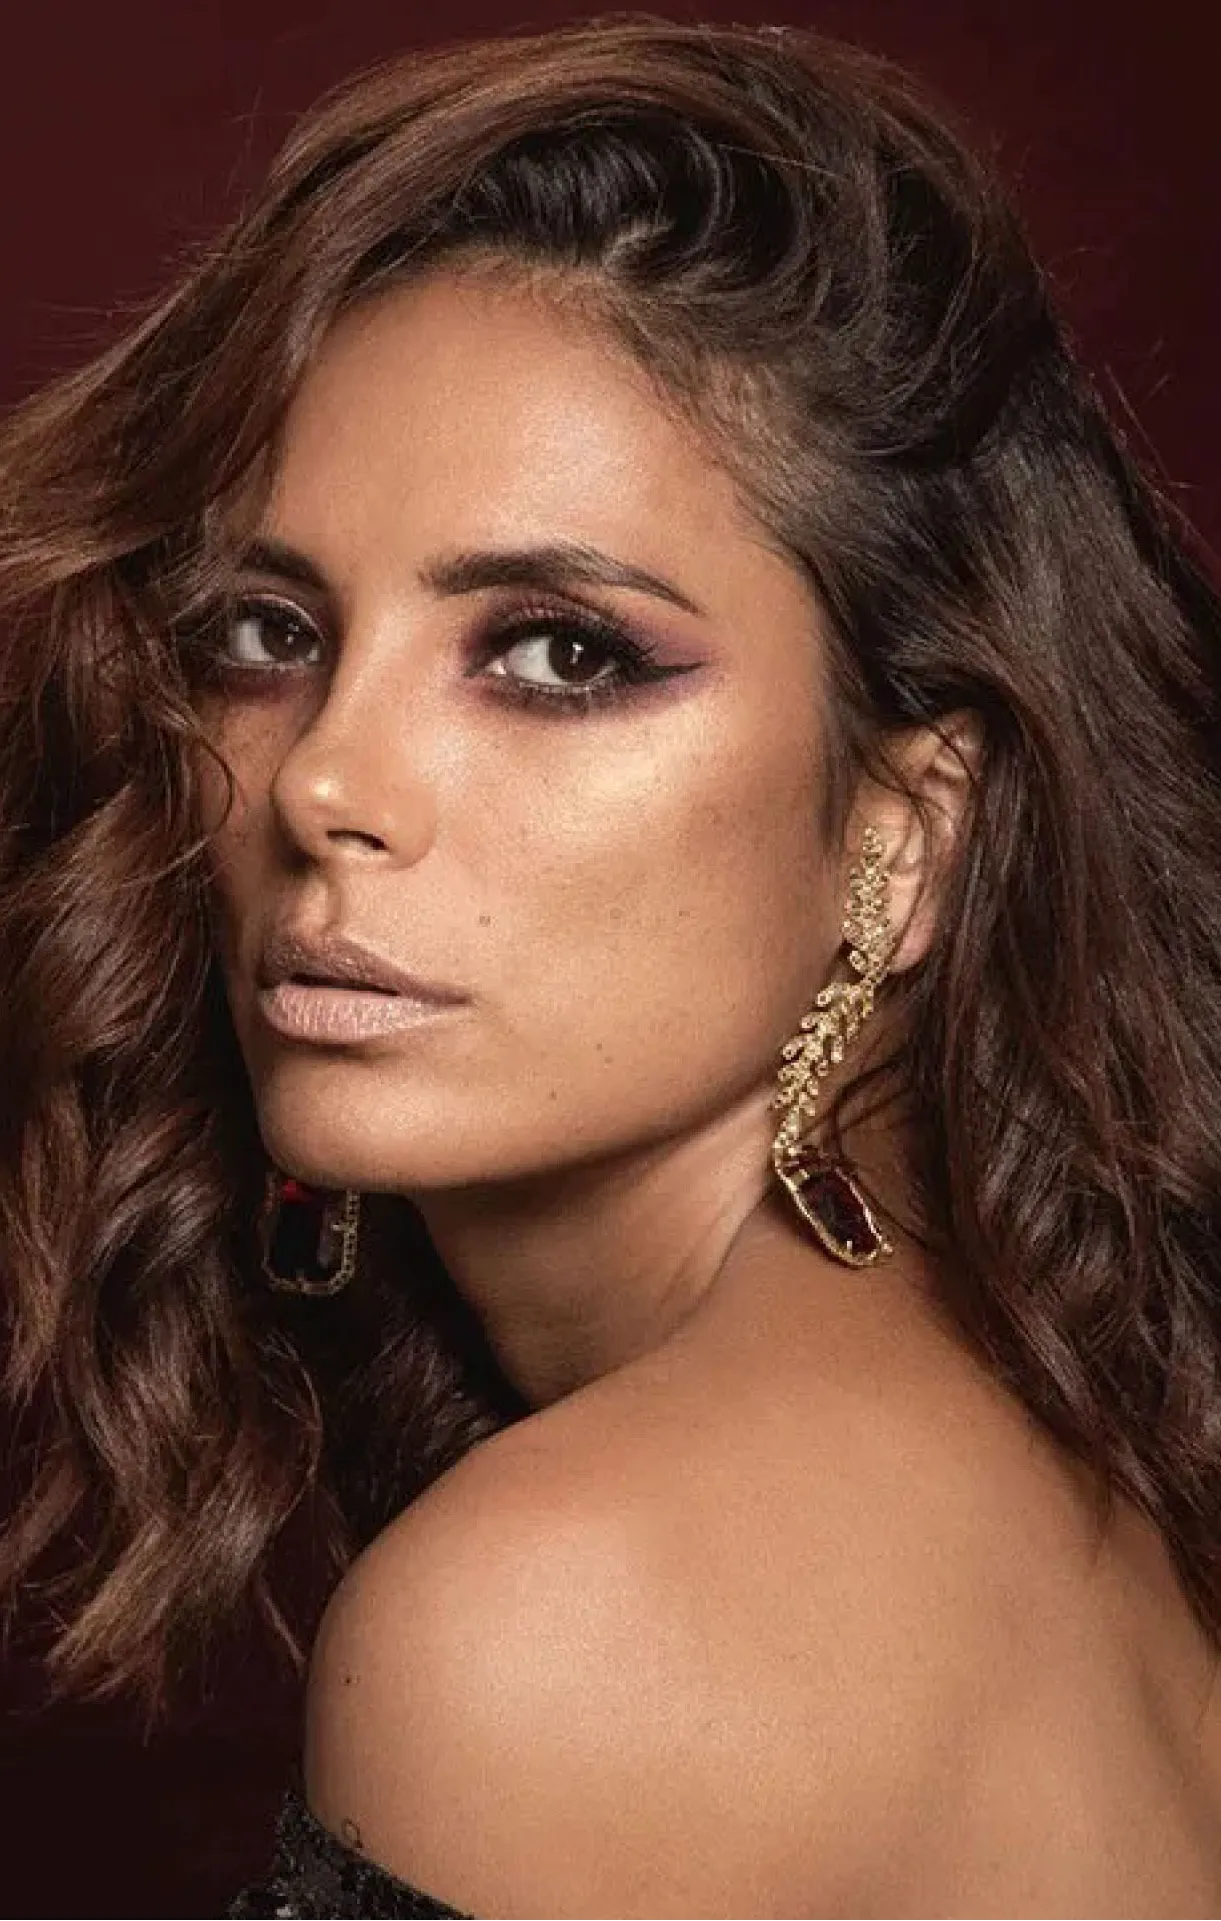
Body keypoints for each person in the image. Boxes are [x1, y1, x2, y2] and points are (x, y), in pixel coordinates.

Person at [2, 10, 1220, 1916]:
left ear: (902, 833)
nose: (323, 780)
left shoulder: (572, 1617)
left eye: (562, 653)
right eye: (266, 631)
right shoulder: (1044, 1455)